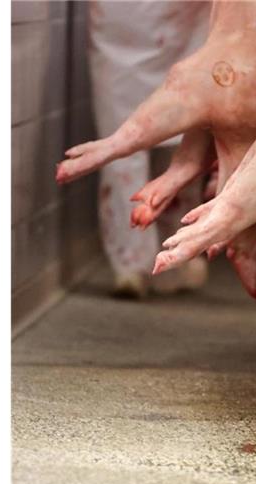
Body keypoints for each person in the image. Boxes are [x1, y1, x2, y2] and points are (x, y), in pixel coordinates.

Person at [88, 0, 210, 298]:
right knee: (182, 146)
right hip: (182, 18)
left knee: (120, 147)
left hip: (119, 18)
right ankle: (174, 259)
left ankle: (130, 264)